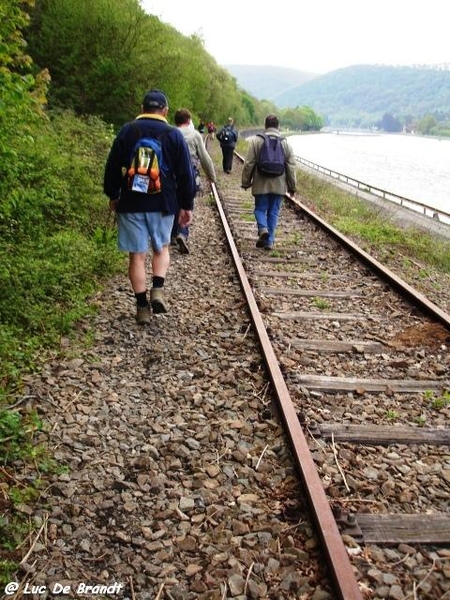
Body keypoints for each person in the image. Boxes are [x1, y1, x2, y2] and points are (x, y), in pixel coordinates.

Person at [103, 89, 196, 324]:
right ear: (165, 111)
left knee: (136, 256)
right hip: (163, 202)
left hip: (132, 201)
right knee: (161, 248)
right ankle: (158, 288)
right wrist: (186, 205)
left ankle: (142, 307)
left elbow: (112, 167)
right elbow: (186, 174)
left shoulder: (128, 131)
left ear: (142, 109)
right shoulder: (173, 135)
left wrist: (113, 194)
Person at [241, 114, 297, 250]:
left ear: (265, 125)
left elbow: (249, 163)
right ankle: (269, 241)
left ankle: (263, 229)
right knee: (273, 212)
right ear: (278, 126)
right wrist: (292, 186)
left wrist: (246, 182)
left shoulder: (256, 141)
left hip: (261, 183)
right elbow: (291, 166)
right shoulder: (286, 143)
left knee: (260, 209)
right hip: (279, 185)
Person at [172, 108, 217, 254]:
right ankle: (182, 233)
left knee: (174, 203)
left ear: (176, 121)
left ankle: (173, 234)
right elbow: (204, 157)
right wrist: (211, 176)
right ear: (189, 120)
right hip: (190, 174)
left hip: (172, 175)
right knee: (187, 203)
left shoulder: (171, 133)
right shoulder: (195, 135)